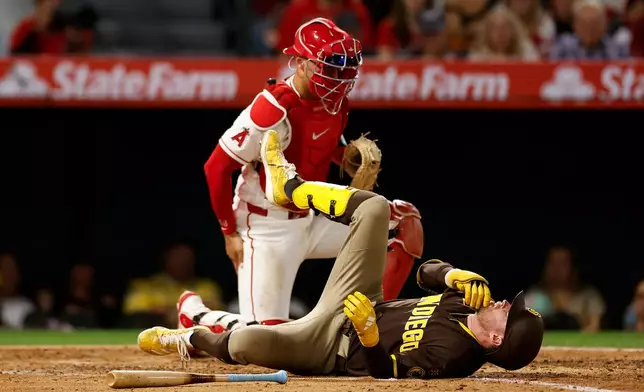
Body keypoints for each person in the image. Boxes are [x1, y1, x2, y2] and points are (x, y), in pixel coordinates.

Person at [138, 130, 544, 379]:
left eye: (511, 314)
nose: (507, 302)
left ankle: (192, 333)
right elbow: (426, 273)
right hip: (360, 300)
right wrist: (453, 274)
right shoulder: (471, 301)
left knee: (246, 342)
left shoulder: (457, 356)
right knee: (377, 209)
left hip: (332, 349)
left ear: (495, 339)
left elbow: (384, 374)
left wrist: (369, 337)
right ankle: (290, 188)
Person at [202, 16, 423, 327]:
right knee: (266, 342)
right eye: (329, 69)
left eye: (344, 71)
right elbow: (215, 168)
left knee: (404, 221)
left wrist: (345, 158)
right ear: (300, 63)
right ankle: (198, 315)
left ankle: (372, 325)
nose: (338, 78)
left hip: (314, 216)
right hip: (268, 227)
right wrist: (229, 233)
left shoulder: (338, 102)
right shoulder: (273, 108)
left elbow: (323, 144)